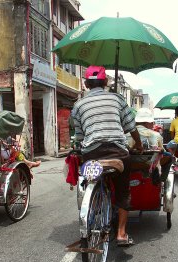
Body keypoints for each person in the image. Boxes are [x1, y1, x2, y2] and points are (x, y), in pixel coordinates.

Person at [72, 65, 143, 247]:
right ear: (105, 82)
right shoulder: (117, 99)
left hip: (92, 153)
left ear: (87, 84)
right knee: (123, 192)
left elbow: (80, 137)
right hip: (118, 152)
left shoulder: (78, 105)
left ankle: (94, 204)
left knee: (90, 179)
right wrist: (139, 145)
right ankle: (121, 233)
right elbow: (131, 127)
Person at [126, 108, 172, 180]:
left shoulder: (126, 134)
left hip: (131, 164)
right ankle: (162, 180)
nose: (153, 124)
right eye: (152, 122)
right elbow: (162, 151)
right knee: (169, 156)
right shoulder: (156, 135)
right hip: (149, 163)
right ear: (148, 122)